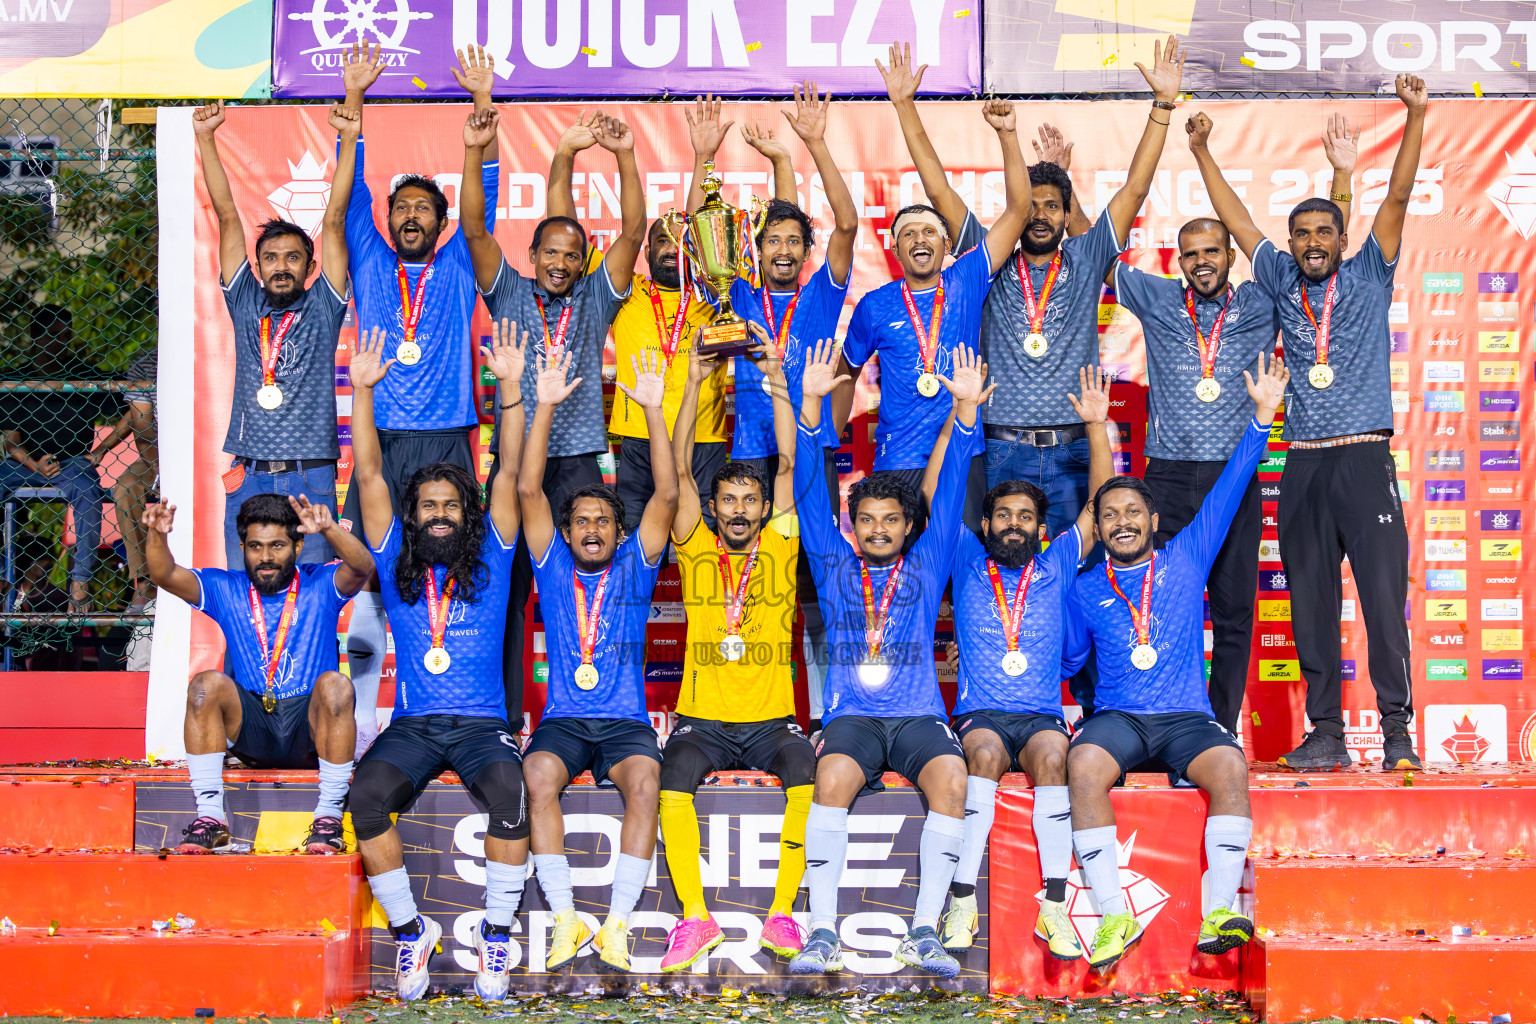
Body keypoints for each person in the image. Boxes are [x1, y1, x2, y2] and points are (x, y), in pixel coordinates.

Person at [1190, 76, 1428, 771]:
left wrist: (1415, 115)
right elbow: (1235, 220)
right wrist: (1203, 151)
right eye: (1301, 233)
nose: (1312, 241)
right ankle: (1327, 733)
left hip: (1362, 460)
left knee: (1384, 605)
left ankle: (1396, 732)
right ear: (1291, 242)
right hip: (1301, 463)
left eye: (1324, 231)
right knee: (1311, 609)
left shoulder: (1370, 273)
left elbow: (1402, 196)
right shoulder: (1279, 282)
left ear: (1342, 237)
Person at [1111, 117, 1356, 732]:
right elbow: (1097, 252)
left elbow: (1320, 246)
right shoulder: (1157, 297)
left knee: (1234, 611)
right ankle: (1157, 717)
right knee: (1158, 604)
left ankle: (1215, 728)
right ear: (1178, 260)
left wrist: (1342, 175)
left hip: (1237, 476)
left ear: (1230, 257)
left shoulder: (1263, 298)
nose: (1201, 262)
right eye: (1189, 254)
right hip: (1166, 477)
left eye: (1212, 251)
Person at [884, 39, 1184, 540]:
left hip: (1073, 449)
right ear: (1018, 210)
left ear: (1069, 216)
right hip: (1001, 449)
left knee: (1076, 571)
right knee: (999, 573)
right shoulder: (990, 259)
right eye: (1032, 204)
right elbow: (938, 191)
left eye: (1052, 206)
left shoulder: (1088, 258)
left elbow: (1135, 188)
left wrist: (1162, 107)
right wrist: (903, 105)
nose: (1040, 214)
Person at [1066, 355, 1288, 972]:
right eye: (1109, 515)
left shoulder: (1188, 555)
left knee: (1229, 767)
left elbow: (1234, 481)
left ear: (1154, 521)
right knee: (1082, 764)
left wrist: (1262, 419)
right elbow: (1070, 657)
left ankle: (1220, 911)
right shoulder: (1084, 587)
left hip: (1187, 717)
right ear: (1099, 529)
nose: (1122, 521)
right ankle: (1113, 911)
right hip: (1121, 719)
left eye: (1133, 512)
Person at [787, 340, 987, 980]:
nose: (878, 529)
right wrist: (812, 408)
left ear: (908, 527)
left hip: (917, 717)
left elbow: (952, 491)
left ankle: (924, 931)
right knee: (833, 781)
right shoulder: (832, 561)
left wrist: (963, 415)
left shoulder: (928, 566)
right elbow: (811, 494)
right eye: (867, 519)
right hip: (853, 717)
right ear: (855, 524)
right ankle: (821, 932)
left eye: (891, 520)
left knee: (952, 780)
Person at [344, 321, 530, 1002]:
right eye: (429, 506)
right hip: (416, 725)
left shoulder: (496, 554)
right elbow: (368, 472)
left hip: (482, 727)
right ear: (413, 516)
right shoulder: (395, 566)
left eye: (452, 505)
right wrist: (363, 393)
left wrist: (510, 387)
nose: (441, 515)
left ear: (467, 513)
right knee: (364, 801)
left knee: (513, 801)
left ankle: (497, 935)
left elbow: (510, 471)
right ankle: (409, 933)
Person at [331, 41, 499, 754]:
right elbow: (348, 196)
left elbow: (480, 199)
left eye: (423, 211)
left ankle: (464, 709)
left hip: (447, 439)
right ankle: (358, 713)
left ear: (438, 223)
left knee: (456, 565)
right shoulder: (369, 257)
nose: (410, 218)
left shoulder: (459, 260)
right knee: (363, 567)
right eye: (401, 209)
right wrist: (356, 106)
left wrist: (481, 112)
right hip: (383, 441)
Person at [463, 107, 644, 732]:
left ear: (583, 259)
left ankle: (589, 713)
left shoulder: (597, 293)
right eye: (551, 252)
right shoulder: (508, 289)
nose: (560, 263)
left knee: (583, 593)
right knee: (503, 593)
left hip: (580, 464)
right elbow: (473, 230)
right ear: (533, 253)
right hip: (514, 459)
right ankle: (503, 720)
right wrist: (541, 155)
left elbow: (635, 231)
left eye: (572, 254)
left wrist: (622, 155)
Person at [683, 88, 857, 727]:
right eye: (771, 240)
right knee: (759, 589)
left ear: (805, 254)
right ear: (752, 250)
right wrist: (703, 157)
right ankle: (761, 712)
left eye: (793, 241)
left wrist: (811, 144)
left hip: (809, 451)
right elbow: (702, 231)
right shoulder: (736, 296)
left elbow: (844, 225)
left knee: (822, 585)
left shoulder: (821, 294)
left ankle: (838, 710)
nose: (783, 249)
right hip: (749, 459)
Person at [935, 368, 1114, 958]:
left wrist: (1095, 427)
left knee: (1056, 758)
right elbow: (939, 500)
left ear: (1042, 529)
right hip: (981, 713)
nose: (1014, 524)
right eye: (1003, 516)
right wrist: (961, 420)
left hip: (1040, 715)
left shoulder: (1059, 561)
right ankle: (962, 900)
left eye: (1026, 518)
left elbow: (1101, 508)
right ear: (985, 526)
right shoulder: (963, 556)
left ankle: (1054, 905)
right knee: (983, 754)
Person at [657, 326, 814, 972]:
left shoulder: (780, 543)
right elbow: (676, 469)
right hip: (704, 723)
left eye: (750, 501)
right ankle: (695, 919)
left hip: (771, 723)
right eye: (731, 500)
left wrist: (778, 375)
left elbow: (784, 463)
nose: (743, 509)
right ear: (716, 508)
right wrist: (693, 383)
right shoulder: (693, 546)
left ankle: (781, 915)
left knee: (804, 765)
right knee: (673, 774)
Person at [517, 349, 676, 974]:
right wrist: (546, 406)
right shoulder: (551, 563)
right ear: (567, 529)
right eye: (580, 520)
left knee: (645, 783)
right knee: (538, 779)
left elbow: (665, 492)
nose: (591, 529)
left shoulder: (638, 564)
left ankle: (615, 925)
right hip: (564, 720)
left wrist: (655, 410)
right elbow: (528, 487)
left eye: (603, 521)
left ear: (619, 529)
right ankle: (563, 918)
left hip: (625, 722)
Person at [142, 492, 372, 855]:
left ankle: (328, 817)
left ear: (298, 546)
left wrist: (328, 528)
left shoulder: (321, 584)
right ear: (243, 547)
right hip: (253, 728)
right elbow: (163, 573)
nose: (266, 557)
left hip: (309, 733)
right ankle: (210, 818)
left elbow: (362, 566)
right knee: (205, 685)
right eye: (255, 546)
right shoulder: (226, 588)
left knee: (335, 686)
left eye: (278, 545)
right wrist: (157, 534)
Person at [194, 98, 350, 587]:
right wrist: (206, 139)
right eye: (271, 258)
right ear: (257, 267)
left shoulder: (326, 305)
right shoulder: (244, 300)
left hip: (311, 475)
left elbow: (336, 219)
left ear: (311, 266)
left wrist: (348, 140)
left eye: (293, 258)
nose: (282, 266)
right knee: (244, 590)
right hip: (250, 475)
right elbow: (226, 216)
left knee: (316, 590)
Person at [841, 94, 1028, 496]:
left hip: (963, 448)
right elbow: (845, 375)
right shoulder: (874, 305)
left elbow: (1018, 210)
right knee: (901, 559)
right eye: (907, 233)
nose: (919, 238)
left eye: (929, 232)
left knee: (962, 558)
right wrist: (825, 442)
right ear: (895, 250)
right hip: (898, 460)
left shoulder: (967, 278)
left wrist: (1008, 136)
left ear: (946, 246)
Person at [548, 110, 722, 533]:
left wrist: (704, 157)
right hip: (639, 439)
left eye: (681, 242)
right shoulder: (626, 291)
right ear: (646, 251)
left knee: (703, 549)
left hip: (705, 439)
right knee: (634, 553)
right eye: (662, 240)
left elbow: (700, 229)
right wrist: (565, 154)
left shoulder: (713, 291)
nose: (671, 248)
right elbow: (563, 227)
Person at [0, 306, 117, 614]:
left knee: (88, 489)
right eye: (53, 335)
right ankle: (1, 574)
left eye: (65, 335)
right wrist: (34, 464)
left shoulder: (83, 374)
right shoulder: (16, 378)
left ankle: (79, 584)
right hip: (26, 462)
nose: (60, 342)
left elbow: (134, 408)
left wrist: (103, 448)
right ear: (35, 338)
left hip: (72, 460)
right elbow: (11, 443)